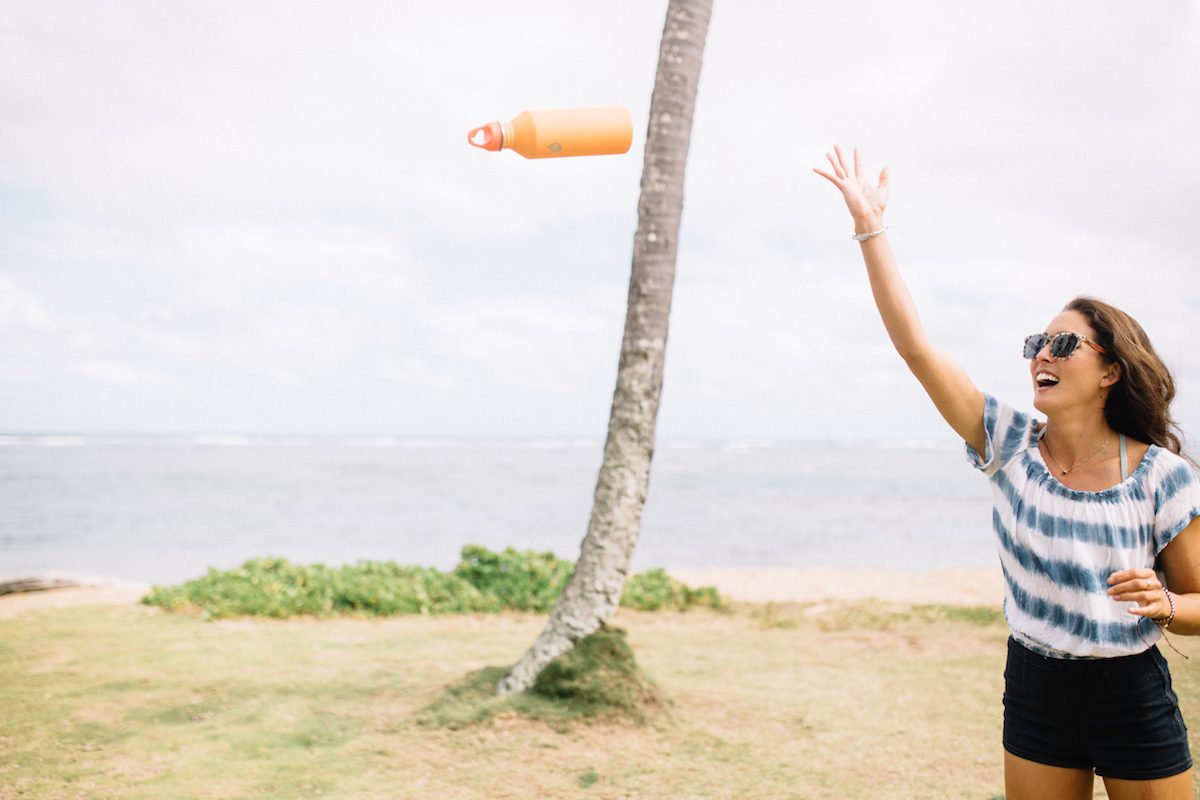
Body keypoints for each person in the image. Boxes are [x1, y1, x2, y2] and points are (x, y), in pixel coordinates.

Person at [814, 145, 1200, 800]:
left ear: (1110, 370)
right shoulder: (1009, 444)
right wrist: (869, 229)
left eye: (1063, 343)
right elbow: (916, 345)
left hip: (1129, 693)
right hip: (1035, 688)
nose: (1041, 354)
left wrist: (1163, 603)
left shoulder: (1160, 476)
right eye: (1036, 343)